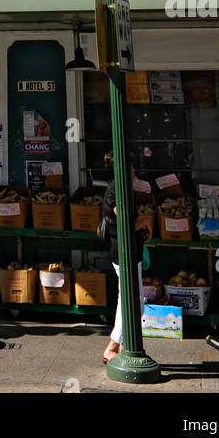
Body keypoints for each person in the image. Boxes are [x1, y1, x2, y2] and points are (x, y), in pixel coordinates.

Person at [100, 153, 152, 364]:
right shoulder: (115, 191)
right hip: (124, 253)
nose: (133, 171)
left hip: (129, 252)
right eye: (130, 167)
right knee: (133, 301)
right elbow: (125, 224)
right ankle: (113, 346)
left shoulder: (121, 190)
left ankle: (123, 345)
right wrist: (146, 222)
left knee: (130, 300)